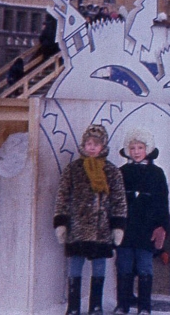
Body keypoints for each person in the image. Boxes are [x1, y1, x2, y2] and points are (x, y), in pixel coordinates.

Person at [54, 124, 128, 315]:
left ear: (103, 147)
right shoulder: (73, 169)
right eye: (89, 143)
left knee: (99, 266)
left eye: (96, 144)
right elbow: (63, 195)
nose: (92, 147)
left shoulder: (111, 171)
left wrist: (118, 225)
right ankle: (73, 307)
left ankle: (96, 305)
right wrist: (61, 222)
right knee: (75, 265)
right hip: (77, 227)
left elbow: (119, 199)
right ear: (83, 145)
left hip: (101, 229)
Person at [115, 129, 170, 315]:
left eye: (140, 147)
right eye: (132, 148)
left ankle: (144, 306)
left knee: (145, 266)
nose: (136, 151)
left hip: (147, 229)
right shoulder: (121, 172)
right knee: (124, 265)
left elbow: (163, 202)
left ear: (148, 149)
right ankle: (123, 303)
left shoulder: (157, 173)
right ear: (127, 150)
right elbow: (115, 202)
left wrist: (162, 226)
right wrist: (115, 225)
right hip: (126, 229)